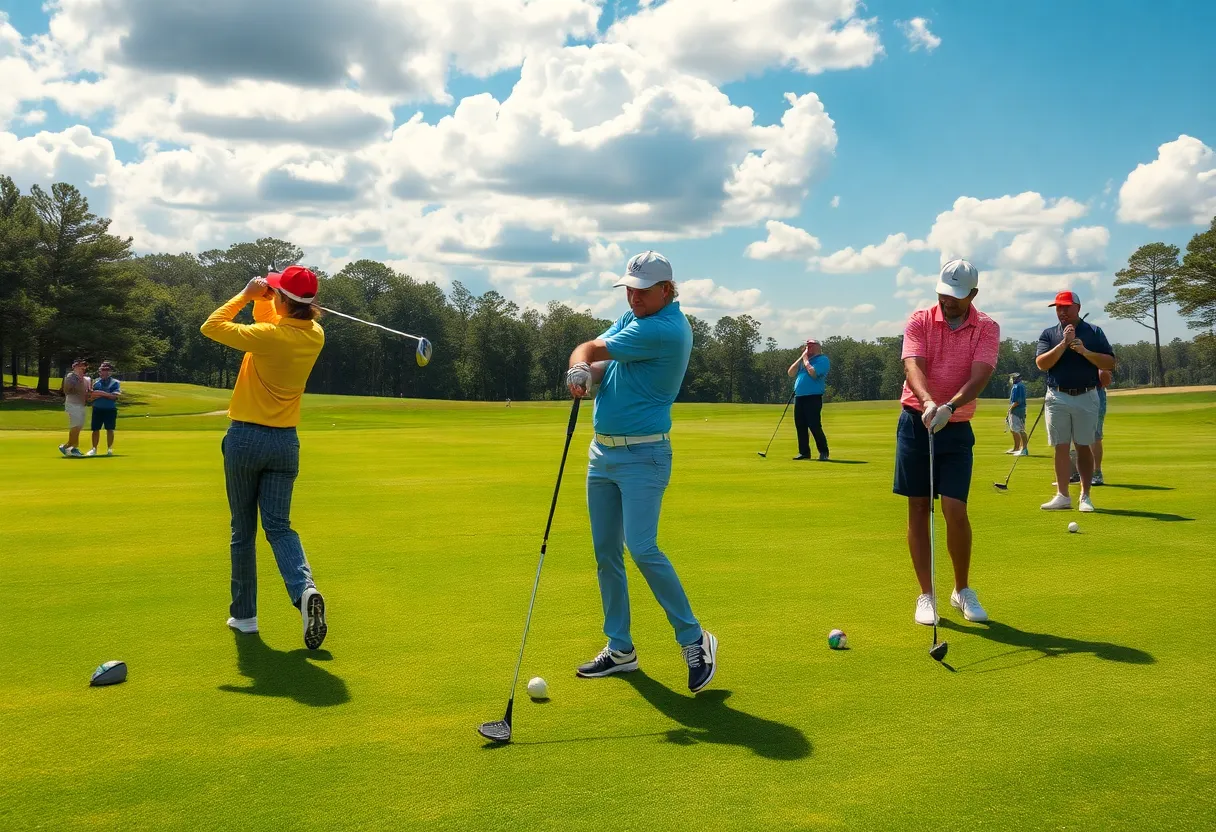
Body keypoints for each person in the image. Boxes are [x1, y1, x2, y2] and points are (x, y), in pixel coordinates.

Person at [565, 250, 717, 693]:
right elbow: (595, 358)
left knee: (642, 547)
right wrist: (584, 372)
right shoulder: (634, 317)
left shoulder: (665, 329)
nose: (633, 298)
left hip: (643, 456)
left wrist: (582, 363)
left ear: (666, 290)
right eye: (629, 290)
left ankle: (694, 639)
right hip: (603, 454)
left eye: (642, 291)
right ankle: (620, 650)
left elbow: (592, 349)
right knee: (606, 552)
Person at [200, 265, 328, 650]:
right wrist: (268, 296)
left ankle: (245, 616)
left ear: (286, 300)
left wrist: (245, 293)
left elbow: (211, 325)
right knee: (279, 527)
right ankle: (304, 590)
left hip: (246, 439)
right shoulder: (314, 334)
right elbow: (274, 320)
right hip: (285, 444)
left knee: (243, 530)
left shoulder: (269, 336)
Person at [894, 259, 999, 626]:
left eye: (956, 295)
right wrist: (928, 404)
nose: (948, 301)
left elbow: (981, 374)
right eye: (944, 292)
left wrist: (950, 406)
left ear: (972, 294)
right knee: (919, 508)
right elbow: (913, 365)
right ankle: (926, 595)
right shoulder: (920, 319)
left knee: (955, 509)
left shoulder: (986, 327)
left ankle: (961, 589)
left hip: (955, 426)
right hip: (915, 421)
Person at [1034, 292, 1116, 512]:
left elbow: (1110, 362)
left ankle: (1085, 496)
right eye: (1058, 308)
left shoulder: (1094, 332)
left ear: (1077, 308)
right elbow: (1042, 363)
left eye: (1066, 307)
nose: (1062, 312)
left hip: (1087, 394)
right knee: (1060, 447)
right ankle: (1062, 496)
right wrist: (1064, 344)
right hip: (1057, 395)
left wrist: (1084, 351)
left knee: (1083, 446)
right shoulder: (1049, 334)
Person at [786, 338, 831, 460]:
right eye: (807, 345)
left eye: (811, 345)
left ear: (818, 347)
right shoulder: (803, 360)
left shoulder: (822, 360)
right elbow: (791, 373)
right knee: (800, 425)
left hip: (813, 397)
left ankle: (823, 452)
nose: (808, 347)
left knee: (814, 425)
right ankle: (804, 452)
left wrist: (805, 359)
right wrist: (801, 358)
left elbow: (813, 373)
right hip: (799, 397)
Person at [87, 361, 122, 456]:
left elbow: (114, 396)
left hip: (110, 409)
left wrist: (100, 393)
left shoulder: (115, 383)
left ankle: (109, 449)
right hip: (97, 408)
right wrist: (106, 394)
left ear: (110, 371)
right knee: (95, 429)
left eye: (106, 370)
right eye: (102, 370)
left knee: (110, 429)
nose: (103, 372)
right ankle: (94, 449)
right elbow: (91, 395)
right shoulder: (95, 382)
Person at [59, 359, 91, 458]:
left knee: (79, 426)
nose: (83, 367)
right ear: (75, 367)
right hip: (72, 403)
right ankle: (72, 447)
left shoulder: (86, 379)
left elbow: (87, 391)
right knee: (75, 425)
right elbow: (67, 390)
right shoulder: (71, 376)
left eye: (84, 366)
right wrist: (79, 381)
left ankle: (68, 446)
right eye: (80, 365)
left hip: (81, 404)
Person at [1093, 368, 1111, 485]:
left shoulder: (1097, 351)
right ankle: (1075, 472)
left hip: (1095, 392)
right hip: (1069, 393)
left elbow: (1105, 380)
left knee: (1095, 435)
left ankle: (1096, 472)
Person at [1006, 372, 1028, 455]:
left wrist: (1010, 409)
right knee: (1013, 429)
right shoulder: (1016, 386)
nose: (1011, 380)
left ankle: (1024, 449)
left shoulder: (1019, 386)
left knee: (1020, 429)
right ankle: (1016, 448)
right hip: (1015, 409)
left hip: (1018, 410)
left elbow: (1018, 401)